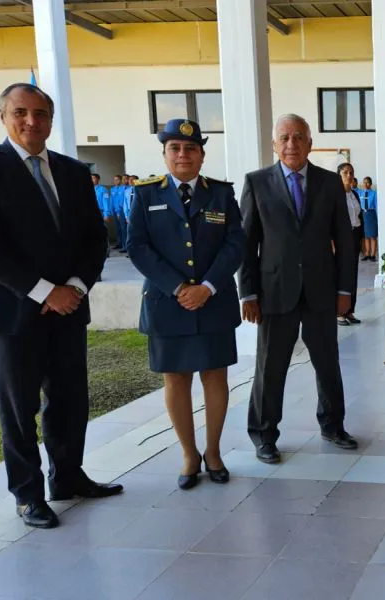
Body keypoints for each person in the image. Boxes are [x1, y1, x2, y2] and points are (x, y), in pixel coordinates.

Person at [0, 83, 121, 529]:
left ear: (51, 119)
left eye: (41, 113)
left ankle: (67, 477)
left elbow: (95, 239)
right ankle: (28, 495)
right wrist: (46, 291)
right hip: (10, 314)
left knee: (70, 400)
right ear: (3, 117)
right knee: (18, 407)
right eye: (20, 112)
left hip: (68, 310)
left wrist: (75, 287)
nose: (32, 121)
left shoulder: (72, 171)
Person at [128, 119, 244, 490]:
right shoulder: (146, 194)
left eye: (191, 148)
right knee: (176, 379)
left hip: (213, 301)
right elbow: (137, 247)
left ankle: (213, 452)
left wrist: (207, 287)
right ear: (164, 153)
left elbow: (235, 245)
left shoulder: (221, 194)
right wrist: (179, 287)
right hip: (167, 302)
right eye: (175, 148)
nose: (183, 154)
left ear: (202, 155)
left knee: (215, 376)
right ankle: (189, 454)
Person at [238, 113, 359, 463]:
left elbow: (345, 241)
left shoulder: (329, 183)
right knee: (270, 367)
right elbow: (246, 244)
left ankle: (333, 425)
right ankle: (264, 435)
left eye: (298, 137)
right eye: (284, 138)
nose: (291, 144)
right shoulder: (257, 182)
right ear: (275, 144)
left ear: (309, 143)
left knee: (327, 362)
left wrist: (345, 291)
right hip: (274, 291)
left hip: (322, 290)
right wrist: (248, 294)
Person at [337, 162, 363, 326]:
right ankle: (339, 312)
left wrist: (362, 239)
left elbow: (359, 218)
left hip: (355, 235)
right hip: (341, 238)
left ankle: (350, 310)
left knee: (353, 275)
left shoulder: (355, 194)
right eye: (345, 172)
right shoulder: (335, 195)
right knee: (341, 275)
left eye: (351, 172)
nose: (349, 175)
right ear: (339, 175)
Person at [359, 176, 378, 261]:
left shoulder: (374, 193)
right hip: (363, 215)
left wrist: (377, 217)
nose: (365, 184)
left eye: (367, 182)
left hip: (371, 214)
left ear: (370, 184)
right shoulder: (361, 193)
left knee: (373, 236)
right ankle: (367, 254)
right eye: (364, 182)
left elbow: (376, 205)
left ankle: (373, 255)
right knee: (366, 236)